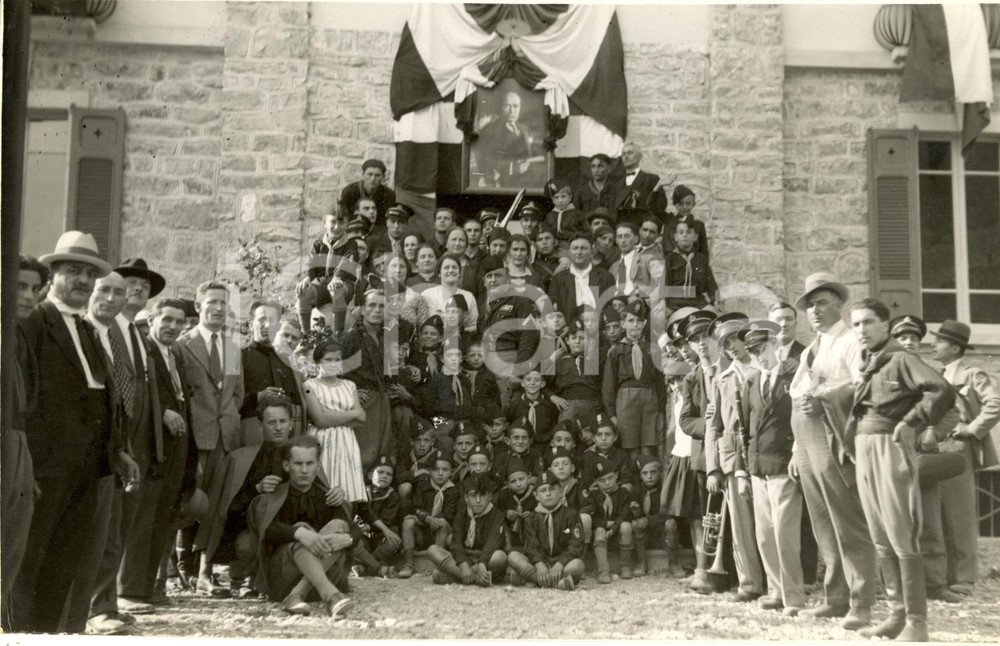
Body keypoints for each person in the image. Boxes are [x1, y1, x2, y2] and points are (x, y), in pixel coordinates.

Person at [14, 232, 138, 633]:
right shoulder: (33, 322)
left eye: (89, 273)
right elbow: (24, 398)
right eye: (73, 272)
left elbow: (103, 397)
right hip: (44, 469)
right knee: (29, 563)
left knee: (65, 563)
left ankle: (50, 636)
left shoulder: (86, 329)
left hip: (88, 471)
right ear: (53, 275)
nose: (83, 281)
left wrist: (116, 450)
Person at [848, 298, 955, 641]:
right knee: (881, 536)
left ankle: (917, 623)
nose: (861, 330)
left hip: (889, 447)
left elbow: (942, 389)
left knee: (901, 533)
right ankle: (896, 615)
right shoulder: (871, 362)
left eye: (867, 322)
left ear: (884, 325)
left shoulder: (902, 359)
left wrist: (911, 422)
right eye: (856, 324)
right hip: (865, 448)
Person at [787, 273, 876, 629]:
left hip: (831, 434)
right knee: (823, 522)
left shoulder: (852, 341)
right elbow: (797, 395)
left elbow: (862, 386)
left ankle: (862, 602)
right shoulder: (813, 347)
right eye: (810, 305)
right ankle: (836, 597)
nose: (815, 311)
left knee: (847, 520)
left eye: (822, 302)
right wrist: (796, 447)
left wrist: (825, 397)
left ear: (839, 303)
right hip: (806, 439)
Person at [119, 298, 194, 608]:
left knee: (161, 517)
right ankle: (127, 591)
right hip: (150, 445)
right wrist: (162, 410)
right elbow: (138, 392)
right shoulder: (143, 351)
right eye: (167, 320)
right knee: (141, 517)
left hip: (174, 448)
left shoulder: (173, 353)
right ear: (151, 321)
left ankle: (146, 589)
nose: (173, 327)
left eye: (178, 322)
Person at [175, 281, 245, 594]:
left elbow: (237, 394)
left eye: (223, 303)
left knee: (216, 506)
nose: (218, 308)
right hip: (194, 437)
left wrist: (226, 422)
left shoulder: (233, 347)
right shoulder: (183, 345)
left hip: (225, 438)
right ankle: (182, 566)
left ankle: (205, 571)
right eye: (212, 302)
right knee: (191, 500)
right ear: (199, 305)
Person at [891, 315, 967, 604]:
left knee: (929, 521)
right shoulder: (883, 372)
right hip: (892, 454)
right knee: (894, 521)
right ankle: (895, 585)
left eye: (913, 338)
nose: (908, 342)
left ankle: (935, 584)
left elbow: (952, 411)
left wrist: (934, 430)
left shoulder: (934, 373)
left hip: (924, 455)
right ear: (894, 340)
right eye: (902, 338)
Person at [736, 320, 807, 615]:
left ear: (776, 346)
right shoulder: (752, 381)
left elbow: (803, 419)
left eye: (763, 349)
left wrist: (797, 452)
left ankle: (794, 596)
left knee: (785, 535)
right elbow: (744, 428)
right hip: (758, 466)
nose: (758, 356)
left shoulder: (794, 375)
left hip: (783, 463)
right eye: (753, 351)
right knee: (764, 534)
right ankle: (776, 591)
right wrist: (742, 469)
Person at [248, 435, 355, 618]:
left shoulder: (328, 497)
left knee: (338, 526)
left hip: (325, 573)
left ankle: (297, 595)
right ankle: (331, 595)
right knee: (301, 537)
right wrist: (299, 533)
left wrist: (347, 539)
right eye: (298, 464)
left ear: (318, 466)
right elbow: (266, 531)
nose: (304, 470)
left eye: (310, 463)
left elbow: (355, 528)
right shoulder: (271, 498)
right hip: (284, 577)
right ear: (286, 466)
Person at [930, 320, 1000, 597]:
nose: (934, 345)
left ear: (955, 347)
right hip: (937, 449)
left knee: (959, 514)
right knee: (940, 513)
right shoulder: (939, 375)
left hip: (959, 449)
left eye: (939, 342)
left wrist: (971, 429)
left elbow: (995, 403)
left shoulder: (972, 374)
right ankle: (946, 576)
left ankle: (965, 577)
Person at [704, 312, 766, 603]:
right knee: (741, 527)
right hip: (732, 458)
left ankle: (777, 583)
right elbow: (714, 425)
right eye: (726, 342)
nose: (733, 346)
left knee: (768, 522)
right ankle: (749, 583)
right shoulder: (722, 379)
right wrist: (713, 467)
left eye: (738, 338)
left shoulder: (765, 368)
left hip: (764, 452)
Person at [304, 335, 368, 504]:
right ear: (318, 362)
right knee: (326, 488)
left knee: (348, 491)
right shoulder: (310, 386)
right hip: (322, 441)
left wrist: (329, 414)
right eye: (328, 360)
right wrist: (351, 413)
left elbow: (361, 417)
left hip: (347, 441)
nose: (333, 364)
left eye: (337, 359)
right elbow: (319, 420)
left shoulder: (349, 385)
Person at [602, 300, 663, 459]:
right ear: (623, 324)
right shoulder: (615, 351)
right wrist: (612, 414)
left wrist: (661, 411)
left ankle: (648, 480)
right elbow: (609, 385)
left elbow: (660, 383)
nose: (635, 325)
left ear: (644, 324)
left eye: (639, 321)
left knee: (648, 446)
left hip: (650, 398)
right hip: (626, 399)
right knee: (631, 447)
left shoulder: (652, 350)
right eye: (630, 321)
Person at [507, 470, 584, 590]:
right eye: (543, 490)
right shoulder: (530, 518)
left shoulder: (572, 514)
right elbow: (531, 546)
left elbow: (576, 544)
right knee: (513, 556)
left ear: (561, 492)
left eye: (552, 489)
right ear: (536, 496)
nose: (548, 494)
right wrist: (539, 564)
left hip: (562, 562)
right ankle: (555, 582)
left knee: (578, 565)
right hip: (539, 562)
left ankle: (533, 579)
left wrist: (560, 563)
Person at [240, 300, 304, 446]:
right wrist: (258, 396)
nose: (267, 325)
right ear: (251, 324)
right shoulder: (241, 357)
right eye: (262, 320)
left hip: (286, 434)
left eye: (271, 320)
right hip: (253, 430)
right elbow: (228, 400)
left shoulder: (286, 361)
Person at [426, 472, 508, 586]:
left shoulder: (496, 514)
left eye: (482, 495)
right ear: (466, 498)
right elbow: (456, 541)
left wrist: (482, 562)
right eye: (473, 496)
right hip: (465, 557)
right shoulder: (462, 514)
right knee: (432, 550)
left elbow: (493, 541)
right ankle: (472, 577)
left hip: (486, 559)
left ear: (490, 497)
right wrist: (463, 565)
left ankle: (453, 577)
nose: (478, 500)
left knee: (500, 556)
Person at [344, 289, 393, 469]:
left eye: (382, 306)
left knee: (381, 453)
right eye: (372, 305)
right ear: (363, 310)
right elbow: (334, 368)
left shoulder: (385, 337)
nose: (377, 310)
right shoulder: (352, 337)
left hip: (382, 401)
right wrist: (351, 391)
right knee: (363, 454)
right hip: (363, 403)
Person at [398, 449, 459, 579]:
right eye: (436, 469)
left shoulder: (453, 491)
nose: (440, 473)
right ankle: (408, 564)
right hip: (424, 530)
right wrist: (426, 519)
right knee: (408, 522)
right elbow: (416, 507)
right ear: (430, 471)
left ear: (451, 472)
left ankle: (436, 565)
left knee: (442, 523)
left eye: (445, 470)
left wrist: (431, 520)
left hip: (441, 531)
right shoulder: (423, 486)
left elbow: (449, 514)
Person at [581, 455, 635, 583]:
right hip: (598, 539)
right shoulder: (593, 495)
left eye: (610, 478)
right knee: (599, 530)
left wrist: (613, 527)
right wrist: (606, 524)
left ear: (616, 475)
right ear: (596, 482)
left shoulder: (623, 493)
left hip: (618, 535)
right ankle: (603, 570)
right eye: (602, 480)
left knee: (626, 526)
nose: (607, 483)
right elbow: (591, 517)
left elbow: (624, 514)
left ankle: (625, 566)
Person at [475, 90, 540, 188]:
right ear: (501, 107)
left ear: (520, 107)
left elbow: (532, 152)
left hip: (529, 180)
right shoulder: (490, 130)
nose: (512, 110)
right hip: (503, 182)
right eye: (507, 106)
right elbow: (485, 159)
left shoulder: (524, 128)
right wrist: (512, 168)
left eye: (515, 106)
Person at [547, 232, 615, 322]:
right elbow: (553, 309)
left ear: (592, 252)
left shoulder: (606, 277)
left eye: (583, 248)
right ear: (569, 253)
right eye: (575, 248)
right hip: (566, 331)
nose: (579, 252)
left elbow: (610, 308)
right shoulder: (558, 279)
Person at [354, 456, 402, 578]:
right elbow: (362, 511)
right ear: (370, 475)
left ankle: (364, 567)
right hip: (362, 536)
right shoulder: (361, 491)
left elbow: (386, 520)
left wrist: (368, 528)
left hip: (379, 536)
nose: (384, 476)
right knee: (353, 538)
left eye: (388, 474)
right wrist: (362, 530)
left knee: (394, 540)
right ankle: (375, 567)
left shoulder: (392, 496)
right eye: (380, 472)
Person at [663, 221, 717, 312]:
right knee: (659, 319)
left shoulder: (701, 259)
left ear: (695, 237)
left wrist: (717, 301)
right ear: (676, 237)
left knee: (713, 313)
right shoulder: (670, 258)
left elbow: (711, 284)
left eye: (688, 232)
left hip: (697, 300)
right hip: (675, 302)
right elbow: (665, 284)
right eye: (681, 232)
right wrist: (664, 303)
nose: (685, 235)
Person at [628, 454, 666, 578]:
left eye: (653, 472)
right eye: (645, 473)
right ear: (640, 475)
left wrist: (649, 520)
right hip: (646, 535)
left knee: (671, 523)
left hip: (662, 532)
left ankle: (674, 562)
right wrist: (636, 512)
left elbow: (671, 513)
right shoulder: (637, 490)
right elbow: (636, 516)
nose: (649, 476)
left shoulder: (666, 489)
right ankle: (641, 562)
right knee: (635, 525)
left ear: (660, 473)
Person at [339, 158, 395, 227]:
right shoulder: (349, 192)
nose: (373, 179)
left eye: (377, 175)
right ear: (363, 174)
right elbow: (345, 218)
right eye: (369, 174)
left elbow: (385, 220)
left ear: (383, 177)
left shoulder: (388, 194)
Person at [496, 456, 535, 550]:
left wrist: (533, 515)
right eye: (513, 481)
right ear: (507, 484)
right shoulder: (504, 495)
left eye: (521, 479)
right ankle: (508, 548)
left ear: (528, 477)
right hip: (511, 535)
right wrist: (506, 514)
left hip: (532, 533)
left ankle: (531, 548)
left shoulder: (536, 493)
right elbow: (495, 513)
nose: (518, 484)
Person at [616, 143, 662, 211]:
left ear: (639, 157)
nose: (626, 156)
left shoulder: (652, 179)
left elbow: (661, 205)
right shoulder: (616, 183)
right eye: (623, 154)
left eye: (630, 153)